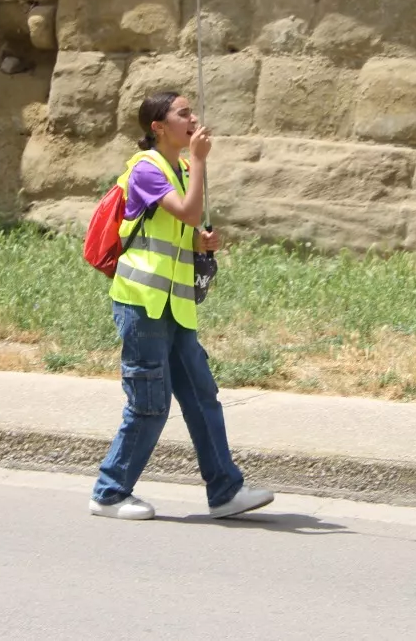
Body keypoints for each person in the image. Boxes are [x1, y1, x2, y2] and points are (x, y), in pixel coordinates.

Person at [89, 91, 274, 521]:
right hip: (142, 305)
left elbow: (183, 229)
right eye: (184, 113)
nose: (193, 118)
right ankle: (110, 493)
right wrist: (202, 161)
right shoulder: (147, 170)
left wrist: (201, 243)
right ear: (158, 127)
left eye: (192, 111)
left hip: (176, 305)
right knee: (150, 404)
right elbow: (189, 213)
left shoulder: (182, 168)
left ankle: (225, 491)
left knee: (201, 396)